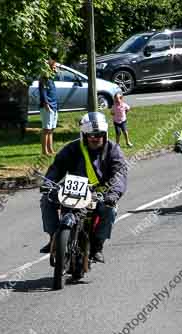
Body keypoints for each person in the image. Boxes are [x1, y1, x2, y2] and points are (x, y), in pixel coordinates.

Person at [39, 112, 127, 263]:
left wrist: (112, 194)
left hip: (99, 194)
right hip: (72, 191)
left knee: (110, 210)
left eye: (99, 134)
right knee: (46, 200)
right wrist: (48, 184)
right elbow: (57, 168)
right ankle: (54, 237)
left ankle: (97, 246)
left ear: (105, 134)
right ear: (84, 135)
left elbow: (119, 174)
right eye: (91, 135)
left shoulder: (113, 150)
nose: (95, 138)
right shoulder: (72, 148)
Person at [39, 59, 59, 156]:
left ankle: (50, 149)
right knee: (46, 129)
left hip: (54, 106)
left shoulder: (51, 79)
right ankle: (44, 151)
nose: (56, 69)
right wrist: (46, 104)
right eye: (54, 67)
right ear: (49, 68)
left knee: (51, 129)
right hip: (47, 106)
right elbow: (43, 93)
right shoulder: (44, 79)